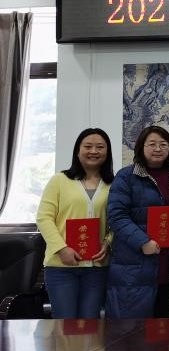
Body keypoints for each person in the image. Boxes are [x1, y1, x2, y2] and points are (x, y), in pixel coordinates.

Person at [105, 125, 169, 318]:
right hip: (136, 262)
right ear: (141, 147)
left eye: (163, 144)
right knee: (136, 328)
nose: (158, 148)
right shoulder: (126, 176)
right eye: (152, 144)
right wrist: (142, 242)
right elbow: (116, 215)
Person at [36, 127, 114, 319]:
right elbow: (44, 218)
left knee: (90, 323)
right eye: (88, 146)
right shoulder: (59, 180)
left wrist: (108, 243)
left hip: (97, 267)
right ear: (77, 151)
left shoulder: (114, 184)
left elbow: (118, 219)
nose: (94, 151)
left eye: (100, 147)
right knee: (65, 324)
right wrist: (62, 249)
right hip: (61, 267)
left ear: (107, 152)